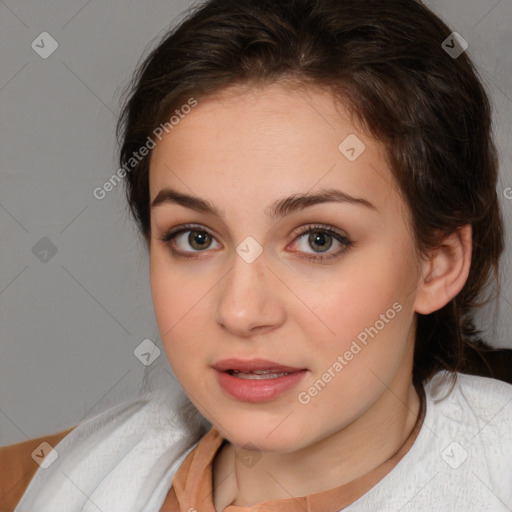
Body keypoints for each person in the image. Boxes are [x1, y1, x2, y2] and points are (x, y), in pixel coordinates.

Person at [2, 0, 512, 510]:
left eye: (318, 240)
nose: (240, 311)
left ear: (438, 264)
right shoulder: (50, 482)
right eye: (196, 238)